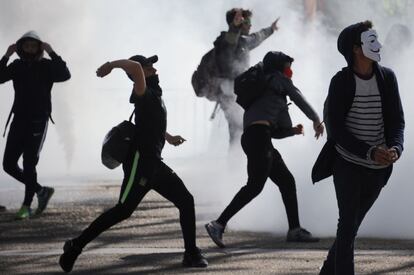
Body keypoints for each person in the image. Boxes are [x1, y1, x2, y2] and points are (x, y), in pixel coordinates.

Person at [59, 54, 208, 273]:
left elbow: (150, 122)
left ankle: (191, 253)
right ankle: (75, 246)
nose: (153, 68)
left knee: (186, 201)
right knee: (123, 211)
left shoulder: (154, 92)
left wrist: (168, 137)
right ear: (137, 75)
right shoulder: (141, 92)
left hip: (154, 163)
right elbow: (135, 67)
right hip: (139, 164)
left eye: (151, 65)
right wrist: (112, 65)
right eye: (148, 67)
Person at [205, 51, 325, 247]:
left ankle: (295, 230)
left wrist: (292, 131)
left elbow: (273, 129)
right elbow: (298, 98)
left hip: (257, 137)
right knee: (254, 186)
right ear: (279, 68)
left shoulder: (266, 88)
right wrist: (316, 120)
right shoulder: (278, 79)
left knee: (286, 181)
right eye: (288, 66)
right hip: (259, 138)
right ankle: (218, 224)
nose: (290, 70)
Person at [313, 21, 405, 275]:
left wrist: (396, 148)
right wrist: (369, 151)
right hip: (347, 163)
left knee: (350, 228)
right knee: (347, 224)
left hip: (378, 169)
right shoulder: (341, 81)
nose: (379, 45)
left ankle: (327, 271)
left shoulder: (388, 78)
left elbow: (397, 120)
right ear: (356, 49)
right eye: (372, 40)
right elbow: (337, 131)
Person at [0, 31, 71, 219]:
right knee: (8, 165)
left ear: (39, 48)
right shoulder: (16, 66)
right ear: (21, 48)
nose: (30, 49)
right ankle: (41, 191)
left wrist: (52, 52)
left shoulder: (47, 66)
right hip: (19, 120)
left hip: (38, 121)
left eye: (34, 46)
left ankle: (26, 206)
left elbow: (65, 75)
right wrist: (6, 56)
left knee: (29, 163)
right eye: (27, 46)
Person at [201, 8, 280, 148]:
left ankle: (240, 162)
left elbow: (258, 36)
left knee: (243, 130)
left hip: (240, 94)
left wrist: (271, 29)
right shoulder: (226, 42)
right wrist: (235, 27)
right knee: (238, 131)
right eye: (247, 22)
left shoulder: (243, 41)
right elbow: (230, 44)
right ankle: (235, 163)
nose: (250, 25)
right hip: (230, 95)